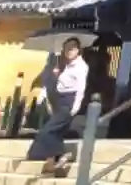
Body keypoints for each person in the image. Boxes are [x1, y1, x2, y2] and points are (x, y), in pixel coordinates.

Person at [27, 37, 87, 175]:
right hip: (59, 100)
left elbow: (81, 88)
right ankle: (53, 162)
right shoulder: (64, 65)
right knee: (56, 132)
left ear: (78, 50)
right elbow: (56, 84)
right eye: (66, 48)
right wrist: (55, 76)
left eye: (72, 48)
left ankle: (63, 154)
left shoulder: (81, 66)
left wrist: (76, 105)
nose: (69, 51)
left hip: (69, 101)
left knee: (46, 131)